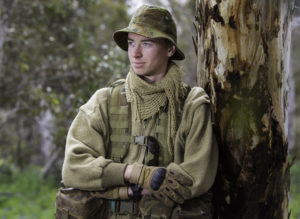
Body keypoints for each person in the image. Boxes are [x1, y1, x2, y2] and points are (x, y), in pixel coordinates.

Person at [61, 4, 218, 219]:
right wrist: (135, 174)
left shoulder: (192, 105)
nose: (135, 53)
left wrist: (114, 186)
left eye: (146, 43)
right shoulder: (105, 101)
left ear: (170, 49)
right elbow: (74, 167)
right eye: (131, 43)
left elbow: (194, 177)